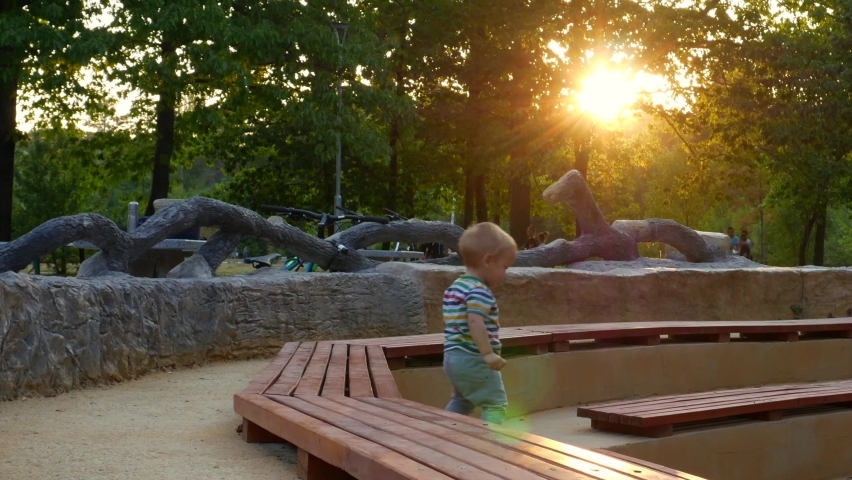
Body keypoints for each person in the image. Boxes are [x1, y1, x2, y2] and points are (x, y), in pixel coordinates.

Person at [442, 222, 517, 425]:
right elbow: (475, 322)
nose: (505, 273)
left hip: (452, 358)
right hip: (474, 358)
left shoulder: (455, 287)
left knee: (462, 401)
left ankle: (444, 433)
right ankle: (488, 447)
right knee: (495, 404)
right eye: (505, 267)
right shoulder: (479, 291)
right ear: (488, 260)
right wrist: (488, 353)